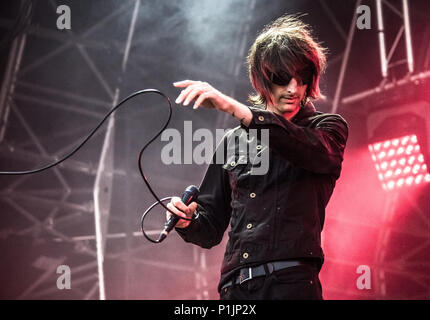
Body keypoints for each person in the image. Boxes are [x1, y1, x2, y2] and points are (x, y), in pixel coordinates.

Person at [166, 14, 348, 300]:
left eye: (302, 79)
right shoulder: (233, 142)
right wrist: (188, 221)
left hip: (291, 283)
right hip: (236, 287)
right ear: (262, 79)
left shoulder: (326, 128)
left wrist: (239, 111)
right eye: (282, 78)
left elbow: (313, 153)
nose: (293, 88)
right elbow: (211, 226)